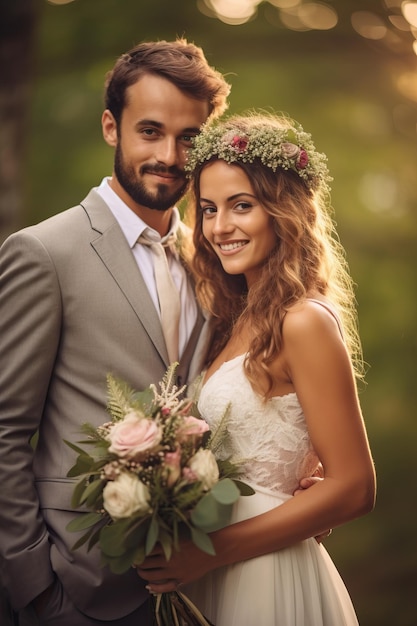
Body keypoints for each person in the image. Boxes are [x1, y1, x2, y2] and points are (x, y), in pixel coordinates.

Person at [0, 40, 320, 626]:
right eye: (149, 131)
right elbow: (4, 429)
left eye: (189, 138)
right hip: (76, 586)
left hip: (201, 584)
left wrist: (294, 469)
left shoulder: (217, 262)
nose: (169, 155)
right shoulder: (45, 253)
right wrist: (34, 585)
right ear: (110, 127)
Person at [137, 113, 376, 625]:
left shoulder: (304, 321)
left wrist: (210, 552)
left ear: (282, 211)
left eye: (241, 206)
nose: (220, 227)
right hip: (216, 569)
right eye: (208, 209)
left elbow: (355, 486)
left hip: (265, 571)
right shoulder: (232, 321)